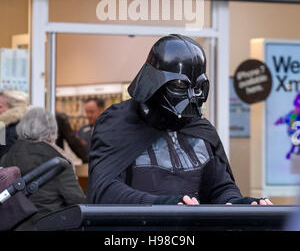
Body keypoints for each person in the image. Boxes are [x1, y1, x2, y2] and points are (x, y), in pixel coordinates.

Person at [87, 34, 273, 206]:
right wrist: (163, 205)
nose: (191, 95)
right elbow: (105, 190)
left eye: (198, 86)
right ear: (155, 82)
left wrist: (238, 204)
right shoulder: (119, 123)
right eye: (179, 85)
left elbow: (219, 187)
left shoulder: (200, 130)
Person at [0, 107, 86, 230]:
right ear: (52, 130)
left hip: (14, 225)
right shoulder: (58, 161)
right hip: (49, 225)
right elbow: (77, 200)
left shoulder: (6, 157)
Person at [0, 90, 28, 159]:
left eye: (0, 107)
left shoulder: (10, 130)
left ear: (13, 109)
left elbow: (4, 160)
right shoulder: (6, 126)